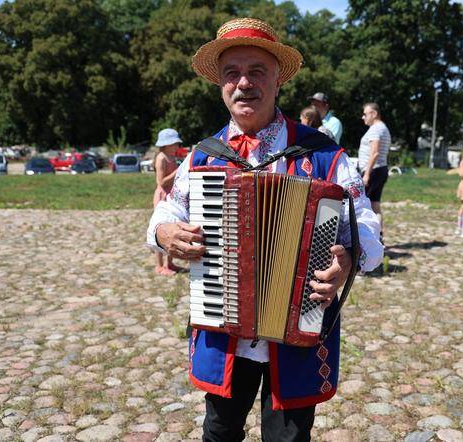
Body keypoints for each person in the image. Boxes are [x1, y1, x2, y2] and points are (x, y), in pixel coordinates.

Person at [146, 17, 383, 441]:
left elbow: (364, 225)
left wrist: (348, 260)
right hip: (224, 330)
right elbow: (163, 215)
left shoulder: (324, 153)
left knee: (289, 437)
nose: (244, 83)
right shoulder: (203, 157)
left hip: (299, 328)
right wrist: (165, 234)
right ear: (221, 84)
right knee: (219, 431)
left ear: (278, 81)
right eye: (233, 73)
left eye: (257, 71)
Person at [358, 102, 391, 242]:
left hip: (373, 170)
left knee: (367, 206)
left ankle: (371, 238)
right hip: (380, 169)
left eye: (365, 114)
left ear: (374, 114)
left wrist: (366, 174)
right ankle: (379, 237)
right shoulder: (383, 128)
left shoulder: (376, 129)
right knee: (375, 205)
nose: (363, 117)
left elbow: (375, 152)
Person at [152, 128, 182, 275]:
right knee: (160, 228)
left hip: (170, 195)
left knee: (172, 228)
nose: (177, 146)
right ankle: (159, 265)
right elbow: (161, 182)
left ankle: (169, 263)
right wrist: (177, 171)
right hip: (162, 196)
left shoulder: (172, 158)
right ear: (166, 144)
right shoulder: (161, 158)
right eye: (175, 143)